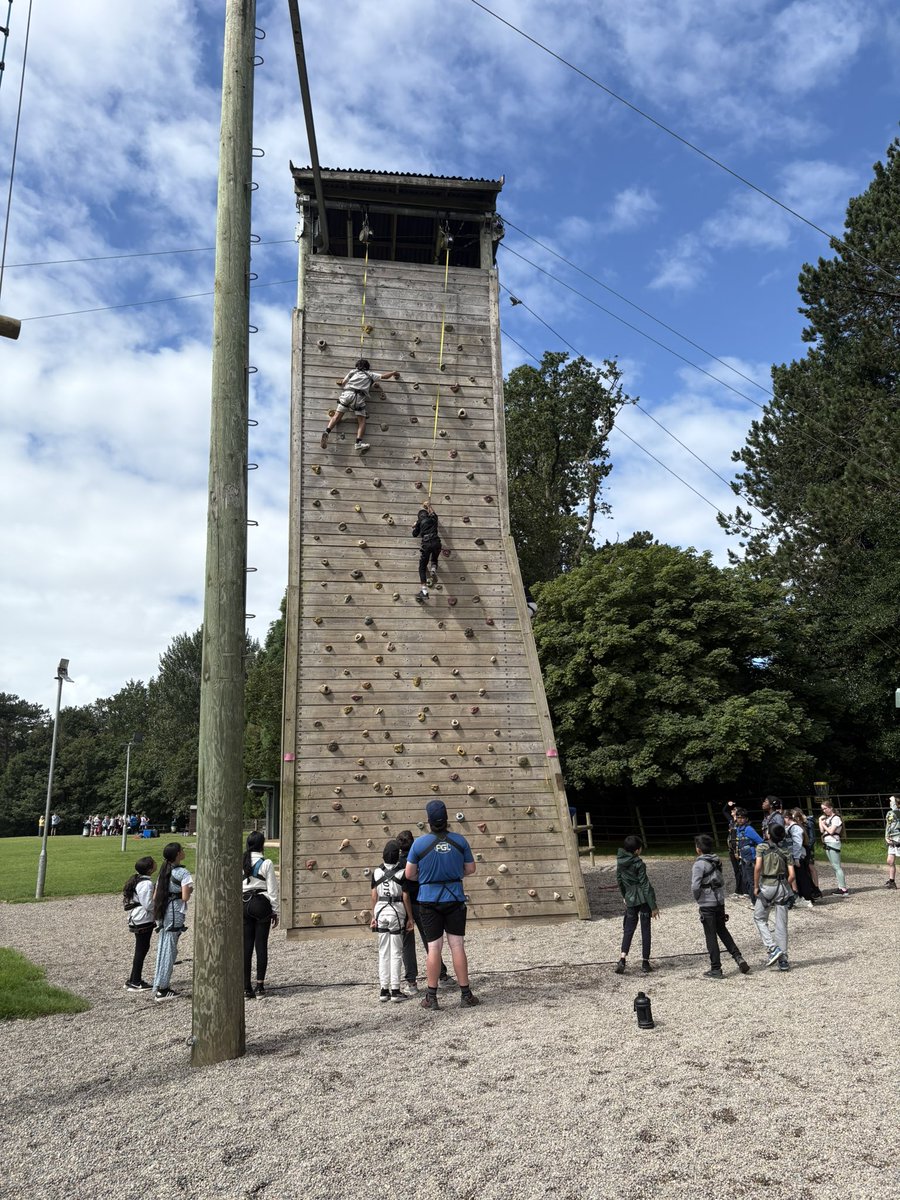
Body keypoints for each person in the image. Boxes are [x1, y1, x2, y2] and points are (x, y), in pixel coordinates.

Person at [405, 800, 479, 1010]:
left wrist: (428, 877)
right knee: (457, 945)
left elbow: (410, 874)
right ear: (446, 819)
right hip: (454, 898)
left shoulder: (419, 844)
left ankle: (432, 996)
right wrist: (454, 873)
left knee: (434, 948)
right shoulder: (459, 840)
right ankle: (465, 995)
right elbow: (471, 868)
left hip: (429, 900)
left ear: (428, 821)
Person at [691, 834, 750, 979]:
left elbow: (695, 886)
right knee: (722, 931)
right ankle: (738, 957)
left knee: (711, 936)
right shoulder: (717, 861)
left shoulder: (699, 864)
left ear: (698, 849)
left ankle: (716, 968)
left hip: (707, 902)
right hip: (719, 901)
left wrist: (698, 898)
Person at [320, 358, 400, 453]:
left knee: (336, 416)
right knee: (361, 422)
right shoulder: (370, 374)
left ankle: (327, 431)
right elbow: (384, 377)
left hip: (347, 394)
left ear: (357, 366)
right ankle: (358, 443)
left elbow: (343, 383)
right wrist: (393, 372)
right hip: (359, 397)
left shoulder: (352, 372)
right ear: (367, 367)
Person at [370, 839, 414, 1003]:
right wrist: (410, 918)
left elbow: (374, 895)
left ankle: (384, 989)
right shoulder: (402, 873)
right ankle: (395, 989)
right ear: (398, 857)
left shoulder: (376, 872)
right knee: (396, 951)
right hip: (396, 912)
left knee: (383, 951)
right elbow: (406, 897)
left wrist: (373, 916)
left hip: (380, 912)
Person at [151, 842, 193, 1001]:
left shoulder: (163, 872)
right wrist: (189, 890)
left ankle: (159, 983)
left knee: (164, 947)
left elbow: (155, 897)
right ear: (177, 855)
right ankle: (163, 988)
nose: (183, 852)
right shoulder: (183, 873)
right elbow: (185, 897)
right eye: (181, 850)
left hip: (163, 911)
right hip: (175, 912)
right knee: (169, 949)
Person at [752, 823, 797, 971]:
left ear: (769, 835)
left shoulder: (762, 848)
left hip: (767, 885)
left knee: (759, 917)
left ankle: (772, 948)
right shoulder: (786, 850)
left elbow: (758, 868)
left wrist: (756, 886)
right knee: (781, 923)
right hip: (782, 887)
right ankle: (783, 959)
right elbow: (792, 875)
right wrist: (785, 884)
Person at [614, 835, 659, 975]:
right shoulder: (639, 863)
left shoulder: (620, 862)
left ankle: (622, 958)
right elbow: (645, 885)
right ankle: (645, 962)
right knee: (645, 930)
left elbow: (619, 880)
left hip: (631, 899)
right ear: (637, 850)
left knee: (628, 929)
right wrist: (653, 905)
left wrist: (625, 896)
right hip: (643, 900)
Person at [242, 831, 279, 999]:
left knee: (246, 946)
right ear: (261, 844)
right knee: (261, 945)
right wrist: (275, 911)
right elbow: (272, 889)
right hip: (260, 902)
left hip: (243, 902)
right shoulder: (266, 863)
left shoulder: (241, 861)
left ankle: (245, 987)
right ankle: (260, 986)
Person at [123, 856, 157, 992]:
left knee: (141, 949)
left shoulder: (140, 880)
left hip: (139, 917)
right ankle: (135, 981)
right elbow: (148, 904)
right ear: (149, 868)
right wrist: (159, 906)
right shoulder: (146, 884)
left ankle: (134, 978)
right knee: (141, 950)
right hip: (143, 918)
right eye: (154, 863)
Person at [784, 809, 815, 906]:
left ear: (787, 818)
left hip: (799, 856)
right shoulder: (791, 827)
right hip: (796, 856)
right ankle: (804, 896)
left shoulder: (795, 828)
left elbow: (797, 844)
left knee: (803, 878)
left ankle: (808, 897)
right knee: (800, 877)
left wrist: (796, 858)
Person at [412, 502, 442, 600]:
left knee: (422, 567)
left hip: (426, 543)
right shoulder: (433, 519)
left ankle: (424, 592)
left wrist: (415, 525)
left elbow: (414, 534)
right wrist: (429, 506)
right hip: (436, 541)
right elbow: (434, 514)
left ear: (419, 517)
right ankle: (433, 568)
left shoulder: (419, 523)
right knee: (435, 557)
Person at [818, 801, 849, 896]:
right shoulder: (828, 818)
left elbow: (831, 831)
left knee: (837, 866)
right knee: (834, 866)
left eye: (825, 808)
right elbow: (821, 830)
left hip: (833, 842)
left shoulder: (836, 818)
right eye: (822, 809)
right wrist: (820, 821)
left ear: (830, 807)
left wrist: (823, 824)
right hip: (828, 842)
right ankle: (840, 886)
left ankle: (843, 889)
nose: (824, 810)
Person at [734, 808, 763, 902]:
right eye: (738, 818)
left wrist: (757, 855)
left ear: (746, 819)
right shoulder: (738, 829)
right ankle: (754, 900)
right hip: (743, 858)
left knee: (752, 881)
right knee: (746, 880)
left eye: (742, 818)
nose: (740, 820)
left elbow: (760, 842)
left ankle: (758, 902)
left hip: (750, 859)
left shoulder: (749, 829)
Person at [722, 800, 743, 896]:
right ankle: (738, 889)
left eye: (734, 810)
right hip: (731, 850)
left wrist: (737, 851)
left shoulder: (739, 823)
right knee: (736, 870)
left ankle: (741, 890)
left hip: (737, 850)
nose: (732, 811)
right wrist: (728, 804)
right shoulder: (731, 821)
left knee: (740, 870)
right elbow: (724, 811)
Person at [886, 796, 900, 889]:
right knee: (890, 861)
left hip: (898, 839)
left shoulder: (897, 813)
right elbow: (888, 825)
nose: (890, 803)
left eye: (892, 802)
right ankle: (892, 881)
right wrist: (886, 836)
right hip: (892, 839)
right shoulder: (890, 813)